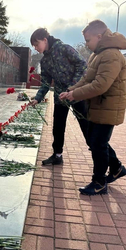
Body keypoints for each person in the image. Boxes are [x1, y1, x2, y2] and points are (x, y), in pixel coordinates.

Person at [59, 20, 126, 195]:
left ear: (99, 36)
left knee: (97, 144)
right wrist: (71, 90)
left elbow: (100, 85)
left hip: (108, 107)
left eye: (88, 40)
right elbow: (87, 79)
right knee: (96, 141)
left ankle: (99, 182)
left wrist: (75, 95)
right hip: (98, 106)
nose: (86, 44)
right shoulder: (97, 55)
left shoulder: (111, 55)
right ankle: (116, 168)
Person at [29, 28, 88, 165]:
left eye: (37, 44)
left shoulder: (64, 49)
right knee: (58, 127)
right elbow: (45, 83)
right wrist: (37, 98)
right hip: (61, 97)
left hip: (76, 94)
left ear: (45, 40)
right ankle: (57, 155)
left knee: (87, 126)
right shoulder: (45, 61)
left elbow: (82, 65)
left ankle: (107, 159)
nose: (36, 48)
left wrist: (72, 88)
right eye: (34, 46)